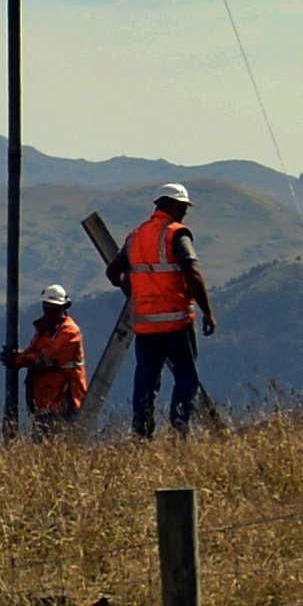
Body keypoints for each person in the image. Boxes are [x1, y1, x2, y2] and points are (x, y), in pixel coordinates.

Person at [106, 184, 215, 438]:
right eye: (184, 208)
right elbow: (193, 272)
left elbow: (113, 272)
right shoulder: (176, 234)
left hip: (145, 323)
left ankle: (142, 433)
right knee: (186, 376)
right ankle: (179, 431)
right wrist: (208, 311)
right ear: (173, 205)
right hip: (176, 320)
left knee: (145, 379)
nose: (185, 213)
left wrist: (131, 287)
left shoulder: (135, 236)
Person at [0, 284, 89, 434]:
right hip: (45, 403)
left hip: (65, 404)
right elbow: (33, 353)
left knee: (61, 448)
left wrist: (16, 360)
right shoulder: (45, 330)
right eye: (46, 307)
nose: (49, 311)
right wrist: (18, 356)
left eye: (53, 307)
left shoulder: (69, 332)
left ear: (63, 307)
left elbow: (43, 360)